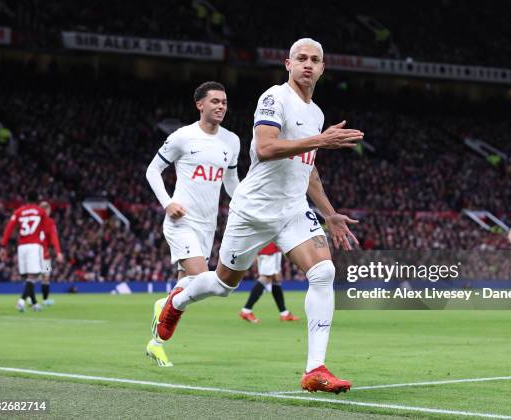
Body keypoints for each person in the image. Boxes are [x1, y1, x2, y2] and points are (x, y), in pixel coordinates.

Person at [156, 38, 364, 393]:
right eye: (301, 58)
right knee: (222, 285)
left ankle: (314, 370)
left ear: (323, 68)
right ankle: (177, 301)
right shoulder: (273, 98)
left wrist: (328, 214)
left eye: (315, 59)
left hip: (293, 209)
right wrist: (319, 141)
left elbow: (307, 170)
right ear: (288, 64)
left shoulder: (316, 114)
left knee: (324, 271)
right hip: (254, 210)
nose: (308, 65)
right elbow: (266, 149)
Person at [145, 81, 241, 367]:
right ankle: (166, 305)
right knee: (201, 279)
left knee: (187, 289)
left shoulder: (232, 141)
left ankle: (156, 343)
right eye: (215, 101)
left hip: (208, 226)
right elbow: (153, 170)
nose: (221, 106)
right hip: (181, 221)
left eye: (224, 102)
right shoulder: (182, 137)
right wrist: (167, 203)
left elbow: (231, 183)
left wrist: (246, 207)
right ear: (200, 104)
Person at [0, 190, 49, 312]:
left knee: (28, 277)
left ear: (26, 199)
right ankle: (21, 301)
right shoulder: (41, 212)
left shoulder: (18, 212)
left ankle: (34, 303)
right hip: (34, 245)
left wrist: (3, 246)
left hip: (22, 247)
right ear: (37, 200)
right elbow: (45, 231)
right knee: (35, 275)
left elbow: (9, 228)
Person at [239, 242, 299, 323]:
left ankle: (284, 313)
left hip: (266, 247)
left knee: (275, 279)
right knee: (266, 277)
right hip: (270, 249)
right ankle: (246, 310)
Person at [38, 201, 64, 306]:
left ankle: (30, 298)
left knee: (33, 276)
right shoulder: (50, 222)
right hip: (45, 256)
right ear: (47, 210)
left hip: (33, 255)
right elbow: (54, 238)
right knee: (46, 276)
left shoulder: (34, 222)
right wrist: (58, 252)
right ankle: (45, 299)